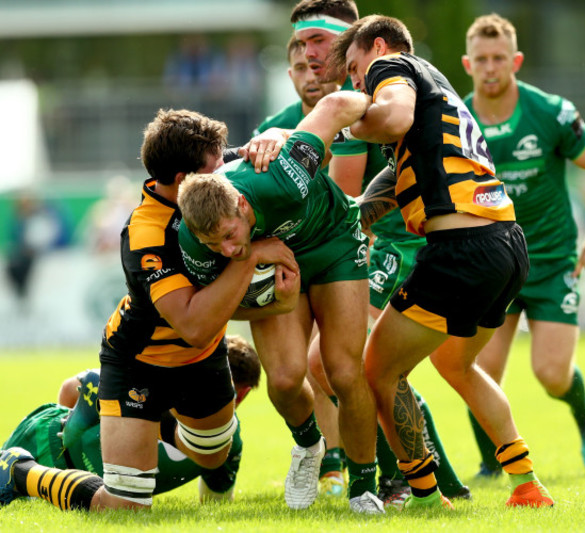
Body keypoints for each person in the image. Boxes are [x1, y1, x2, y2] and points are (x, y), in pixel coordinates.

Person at [0, 108, 299, 512]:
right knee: (127, 508)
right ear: (183, 180)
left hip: (201, 355)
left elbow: (285, 149)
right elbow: (193, 323)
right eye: (215, 164)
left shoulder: (211, 177)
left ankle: (140, 423)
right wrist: (249, 259)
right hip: (141, 360)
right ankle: (21, 469)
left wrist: (276, 137)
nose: (225, 167)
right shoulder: (145, 234)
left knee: (212, 454)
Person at [330, 14, 554, 510]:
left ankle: (428, 496)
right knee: (456, 362)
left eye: (353, 68)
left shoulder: (391, 67)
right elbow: (391, 185)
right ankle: (526, 482)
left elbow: (392, 118)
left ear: (379, 47)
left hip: (461, 249)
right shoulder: (440, 91)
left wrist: (337, 120)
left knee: (377, 370)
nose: (354, 81)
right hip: (506, 244)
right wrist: (356, 219)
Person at [290, 0, 469, 506]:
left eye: (320, 43)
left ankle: (401, 481)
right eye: (301, 48)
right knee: (357, 366)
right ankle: (422, 481)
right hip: (380, 242)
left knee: (346, 365)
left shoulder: (361, 95)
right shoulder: (309, 109)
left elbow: (342, 205)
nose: (312, 57)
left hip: (398, 241)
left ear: (358, 40)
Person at [176, 90, 385, 514]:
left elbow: (332, 108)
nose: (226, 250)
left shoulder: (281, 177)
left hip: (334, 244)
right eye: (213, 244)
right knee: (286, 380)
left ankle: (364, 487)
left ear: (243, 204)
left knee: (344, 371)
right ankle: (309, 448)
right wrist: (275, 298)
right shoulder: (194, 242)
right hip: (278, 272)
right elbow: (213, 310)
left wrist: (389, 100)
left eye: (230, 236)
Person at [459, 13, 585, 477]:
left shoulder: (549, 112)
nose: (491, 68)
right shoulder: (456, 118)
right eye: (482, 60)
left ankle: (583, 411)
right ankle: (492, 464)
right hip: (493, 262)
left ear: (516, 60)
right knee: (476, 367)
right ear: (468, 64)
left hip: (551, 262)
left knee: (552, 374)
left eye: (499, 59)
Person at [1, 335, 261, 504]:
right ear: (243, 392)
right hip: (91, 482)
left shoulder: (155, 380)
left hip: (48, 436)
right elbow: (216, 502)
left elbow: (72, 388)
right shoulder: (230, 442)